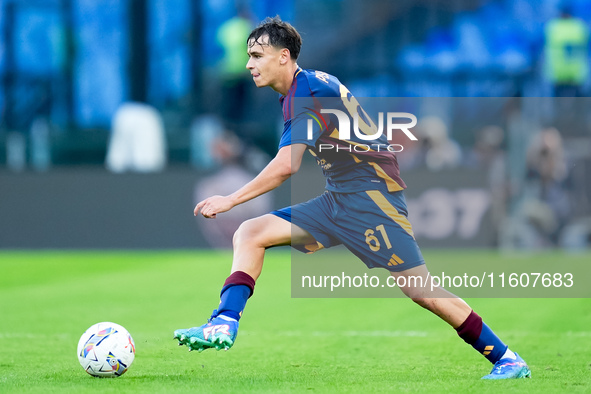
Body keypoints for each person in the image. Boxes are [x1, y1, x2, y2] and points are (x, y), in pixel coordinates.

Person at [174, 16, 530, 380]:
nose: (249, 64)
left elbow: (287, 166)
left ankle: (507, 358)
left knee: (421, 290)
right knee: (251, 233)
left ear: (283, 56)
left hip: (371, 200)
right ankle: (223, 322)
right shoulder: (303, 88)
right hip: (339, 198)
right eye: (248, 56)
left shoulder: (306, 92)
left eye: (256, 55)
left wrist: (230, 200)